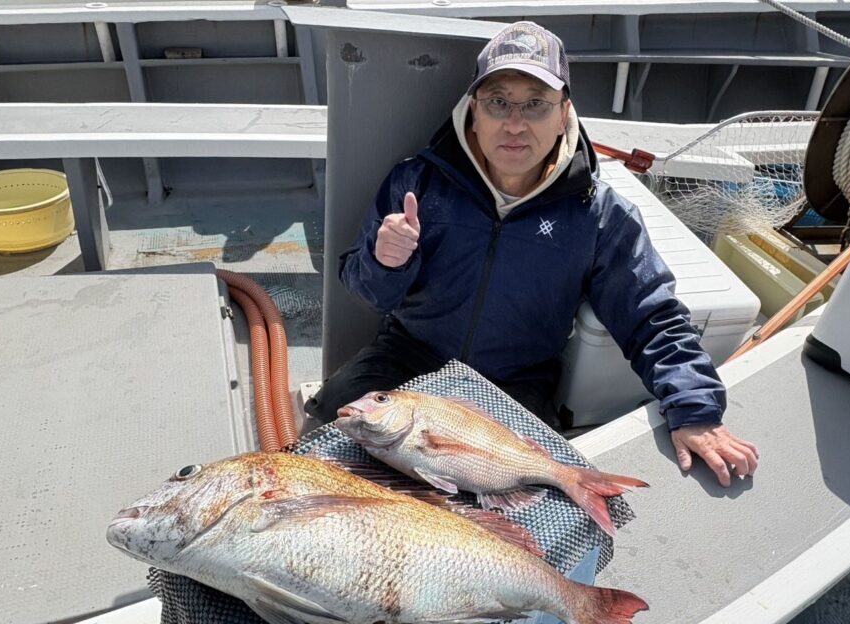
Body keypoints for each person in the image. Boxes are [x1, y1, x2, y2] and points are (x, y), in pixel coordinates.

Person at [305, 21, 759, 486]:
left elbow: (652, 317)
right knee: (322, 448)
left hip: (515, 380)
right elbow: (368, 292)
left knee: (506, 500)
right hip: (409, 358)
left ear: (564, 113)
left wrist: (695, 408)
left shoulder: (599, 215)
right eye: (499, 101)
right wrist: (385, 261)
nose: (515, 123)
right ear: (473, 110)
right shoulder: (417, 183)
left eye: (536, 104)